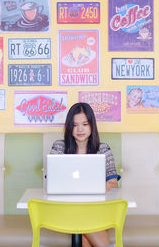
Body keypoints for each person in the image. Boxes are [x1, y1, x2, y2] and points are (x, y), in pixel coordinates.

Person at [50, 102, 120, 247]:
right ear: (69, 127)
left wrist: (106, 185)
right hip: (66, 210)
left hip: (97, 210)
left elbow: (114, 184)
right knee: (84, 229)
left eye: (84, 124)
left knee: (84, 231)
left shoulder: (103, 149)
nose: (79, 129)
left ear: (92, 126)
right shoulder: (59, 147)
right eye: (75, 125)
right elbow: (52, 182)